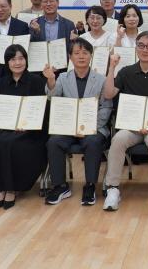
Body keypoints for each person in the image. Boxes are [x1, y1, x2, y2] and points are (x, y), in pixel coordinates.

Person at [103, 31, 148, 211]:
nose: (145, 49)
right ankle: (112, 188)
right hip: (132, 125)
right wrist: (111, 67)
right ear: (136, 49)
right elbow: (108, 94)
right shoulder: (126, 72)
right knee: (119, 139)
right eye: (141, 45)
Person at [44, 38, 113, 206]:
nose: (81, 56)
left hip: (94, 129)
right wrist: (50, 81)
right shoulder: (62, 78)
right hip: (68, 128)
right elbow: (53, 99)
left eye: (85, 53)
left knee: (93, 141)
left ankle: (90, 185)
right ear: (70, 57)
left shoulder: (101, 79)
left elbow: (106, 108)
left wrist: (89, 127)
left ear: (91, 56)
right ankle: (60, 186)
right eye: (76, 53)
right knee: (54, 142)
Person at [0, 45, 48, 210]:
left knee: (13, 144)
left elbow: (40, 109)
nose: (17, 62)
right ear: (7, 62)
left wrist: (26, 125)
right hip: (5, 127)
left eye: (21, 58)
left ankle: (12, 189)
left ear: (26, 60)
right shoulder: (3, 82)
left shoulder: (36, 81)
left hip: (29, 131)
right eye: (13, 59)